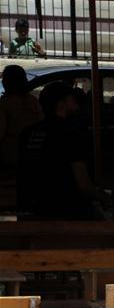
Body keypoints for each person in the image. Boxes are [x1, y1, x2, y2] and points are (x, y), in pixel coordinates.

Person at [17, 82, 103, 219]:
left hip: (33, 208)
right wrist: (104, 197)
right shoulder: (70, 134)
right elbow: (83, 184)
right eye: (72, 99)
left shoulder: (27, 133)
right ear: (61, 104)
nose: (76, 103)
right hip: (66, 210)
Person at [0, 64, 42, 168]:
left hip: (11, 156)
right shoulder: (34, 102)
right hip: (34, 154)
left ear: (6, 82)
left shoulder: (4, 104)